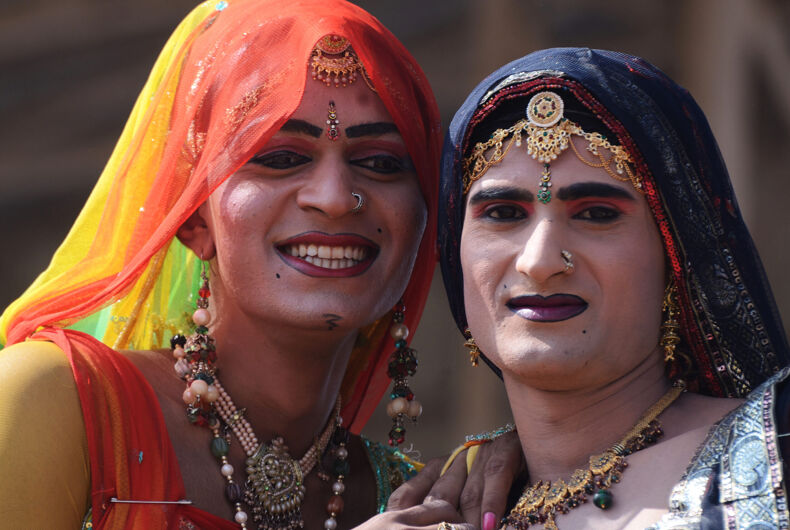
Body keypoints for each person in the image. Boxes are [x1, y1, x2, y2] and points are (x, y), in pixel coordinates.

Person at [0, 0, 471, 528]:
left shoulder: (413, 499)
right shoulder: (56, 403)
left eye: (381, 163)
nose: (337, 198)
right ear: (192, 219)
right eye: (281, 158)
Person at [437, 48, 790, 529]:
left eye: (596, 214)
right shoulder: (441, 502)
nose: (540, 262)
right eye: (502, 214)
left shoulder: (774, 453)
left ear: (675, 253)